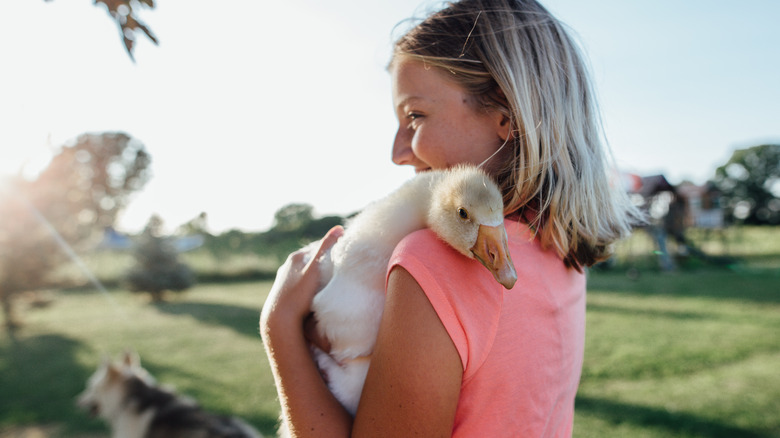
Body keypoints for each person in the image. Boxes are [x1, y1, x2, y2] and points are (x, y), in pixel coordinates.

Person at [260, 0, 640, 436]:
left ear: (506, 115)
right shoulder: (559, 248)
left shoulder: (434, 262)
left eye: (416, 115)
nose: (399, 153)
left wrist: (279, 329)